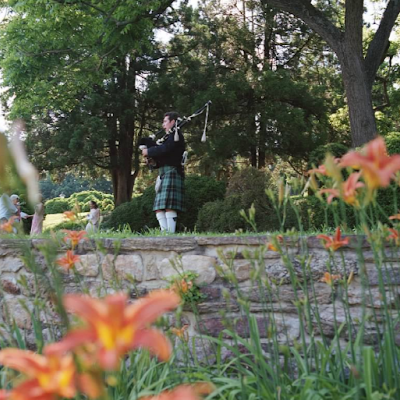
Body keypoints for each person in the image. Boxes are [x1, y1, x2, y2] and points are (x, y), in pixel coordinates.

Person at [141, 111, 185, 233]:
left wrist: (149, 151)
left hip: (172, 172)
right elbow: (163, 157)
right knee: (159, 208)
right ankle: (164, 232)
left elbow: (166, 149)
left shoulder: (176, 136)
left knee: (169, 207)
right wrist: (152, 162)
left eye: (165, 121)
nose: (163, 124)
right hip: (163, 173)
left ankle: (170, 233)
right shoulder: (167, 138)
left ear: (173, 122)